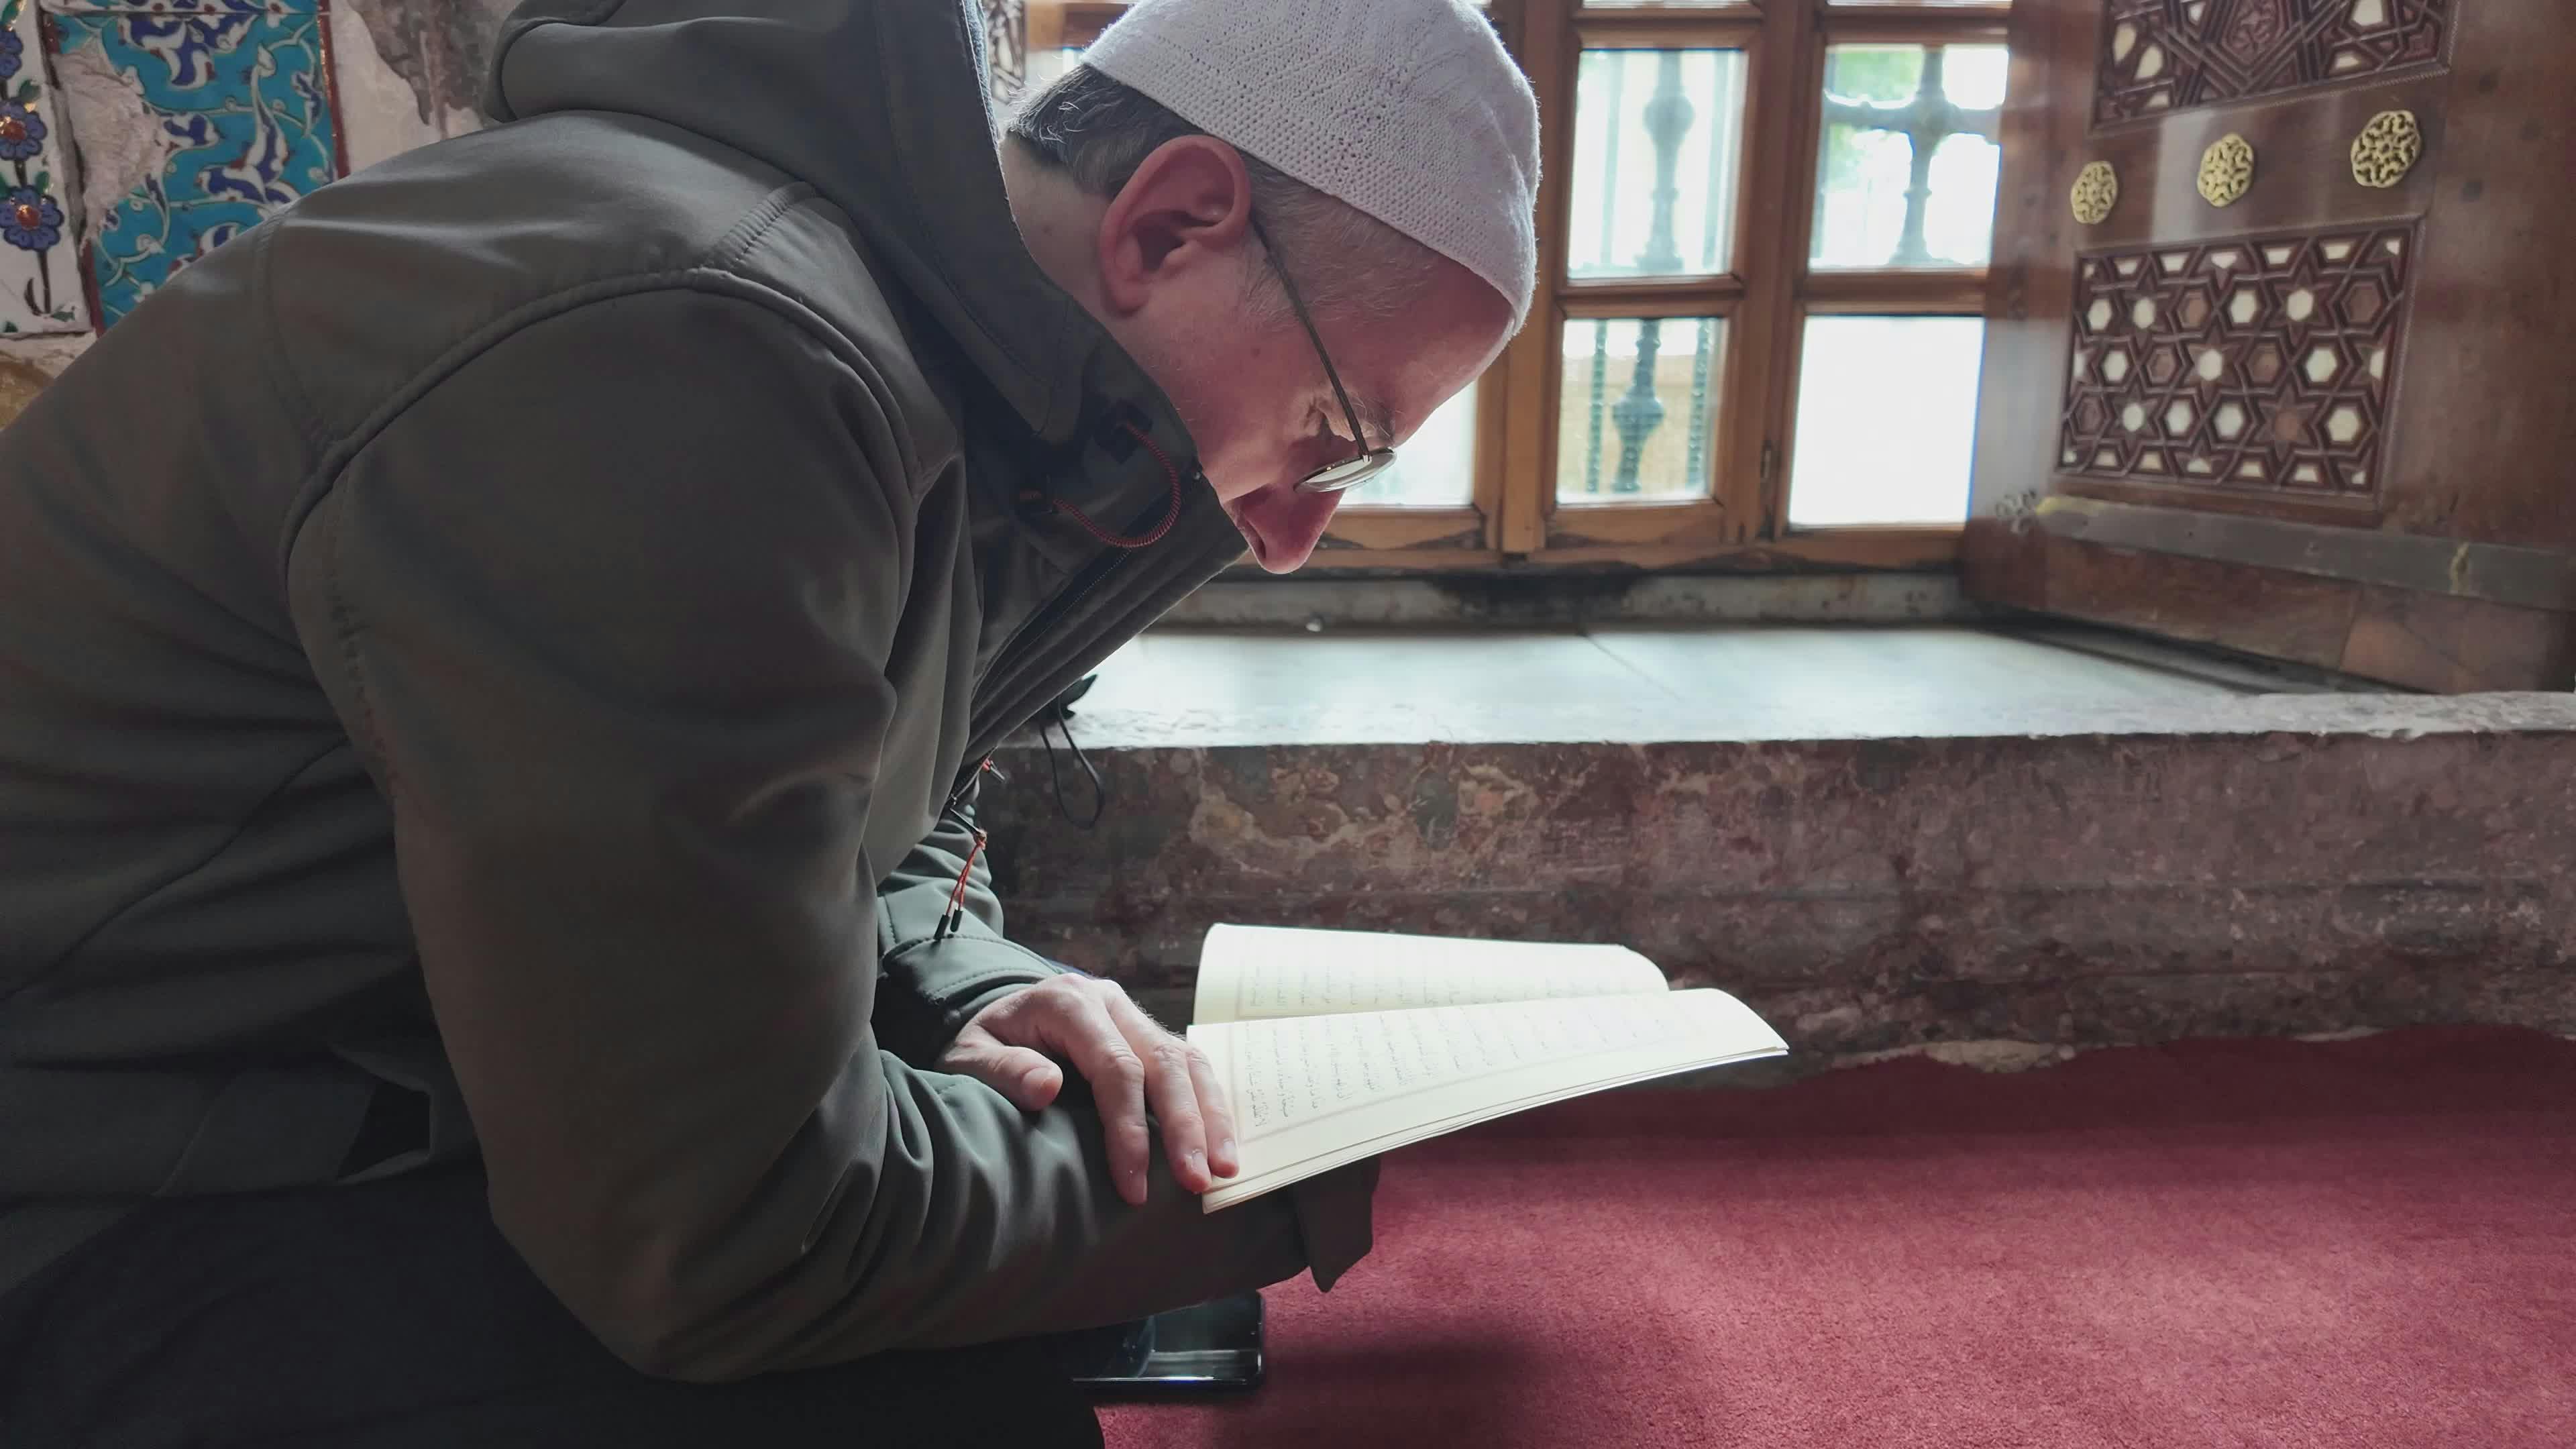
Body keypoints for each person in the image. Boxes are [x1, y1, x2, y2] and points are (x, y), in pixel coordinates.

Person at [0, 0, 1536, 1442]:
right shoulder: (697, 357)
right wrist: (1271, 1159)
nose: (1291, 536)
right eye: (1338, 434)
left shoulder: (907, 338)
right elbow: (734, 1242)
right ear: (1172, 223)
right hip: (94, 1184)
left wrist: (961, 978)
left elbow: (866, 780)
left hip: (310, 1085)